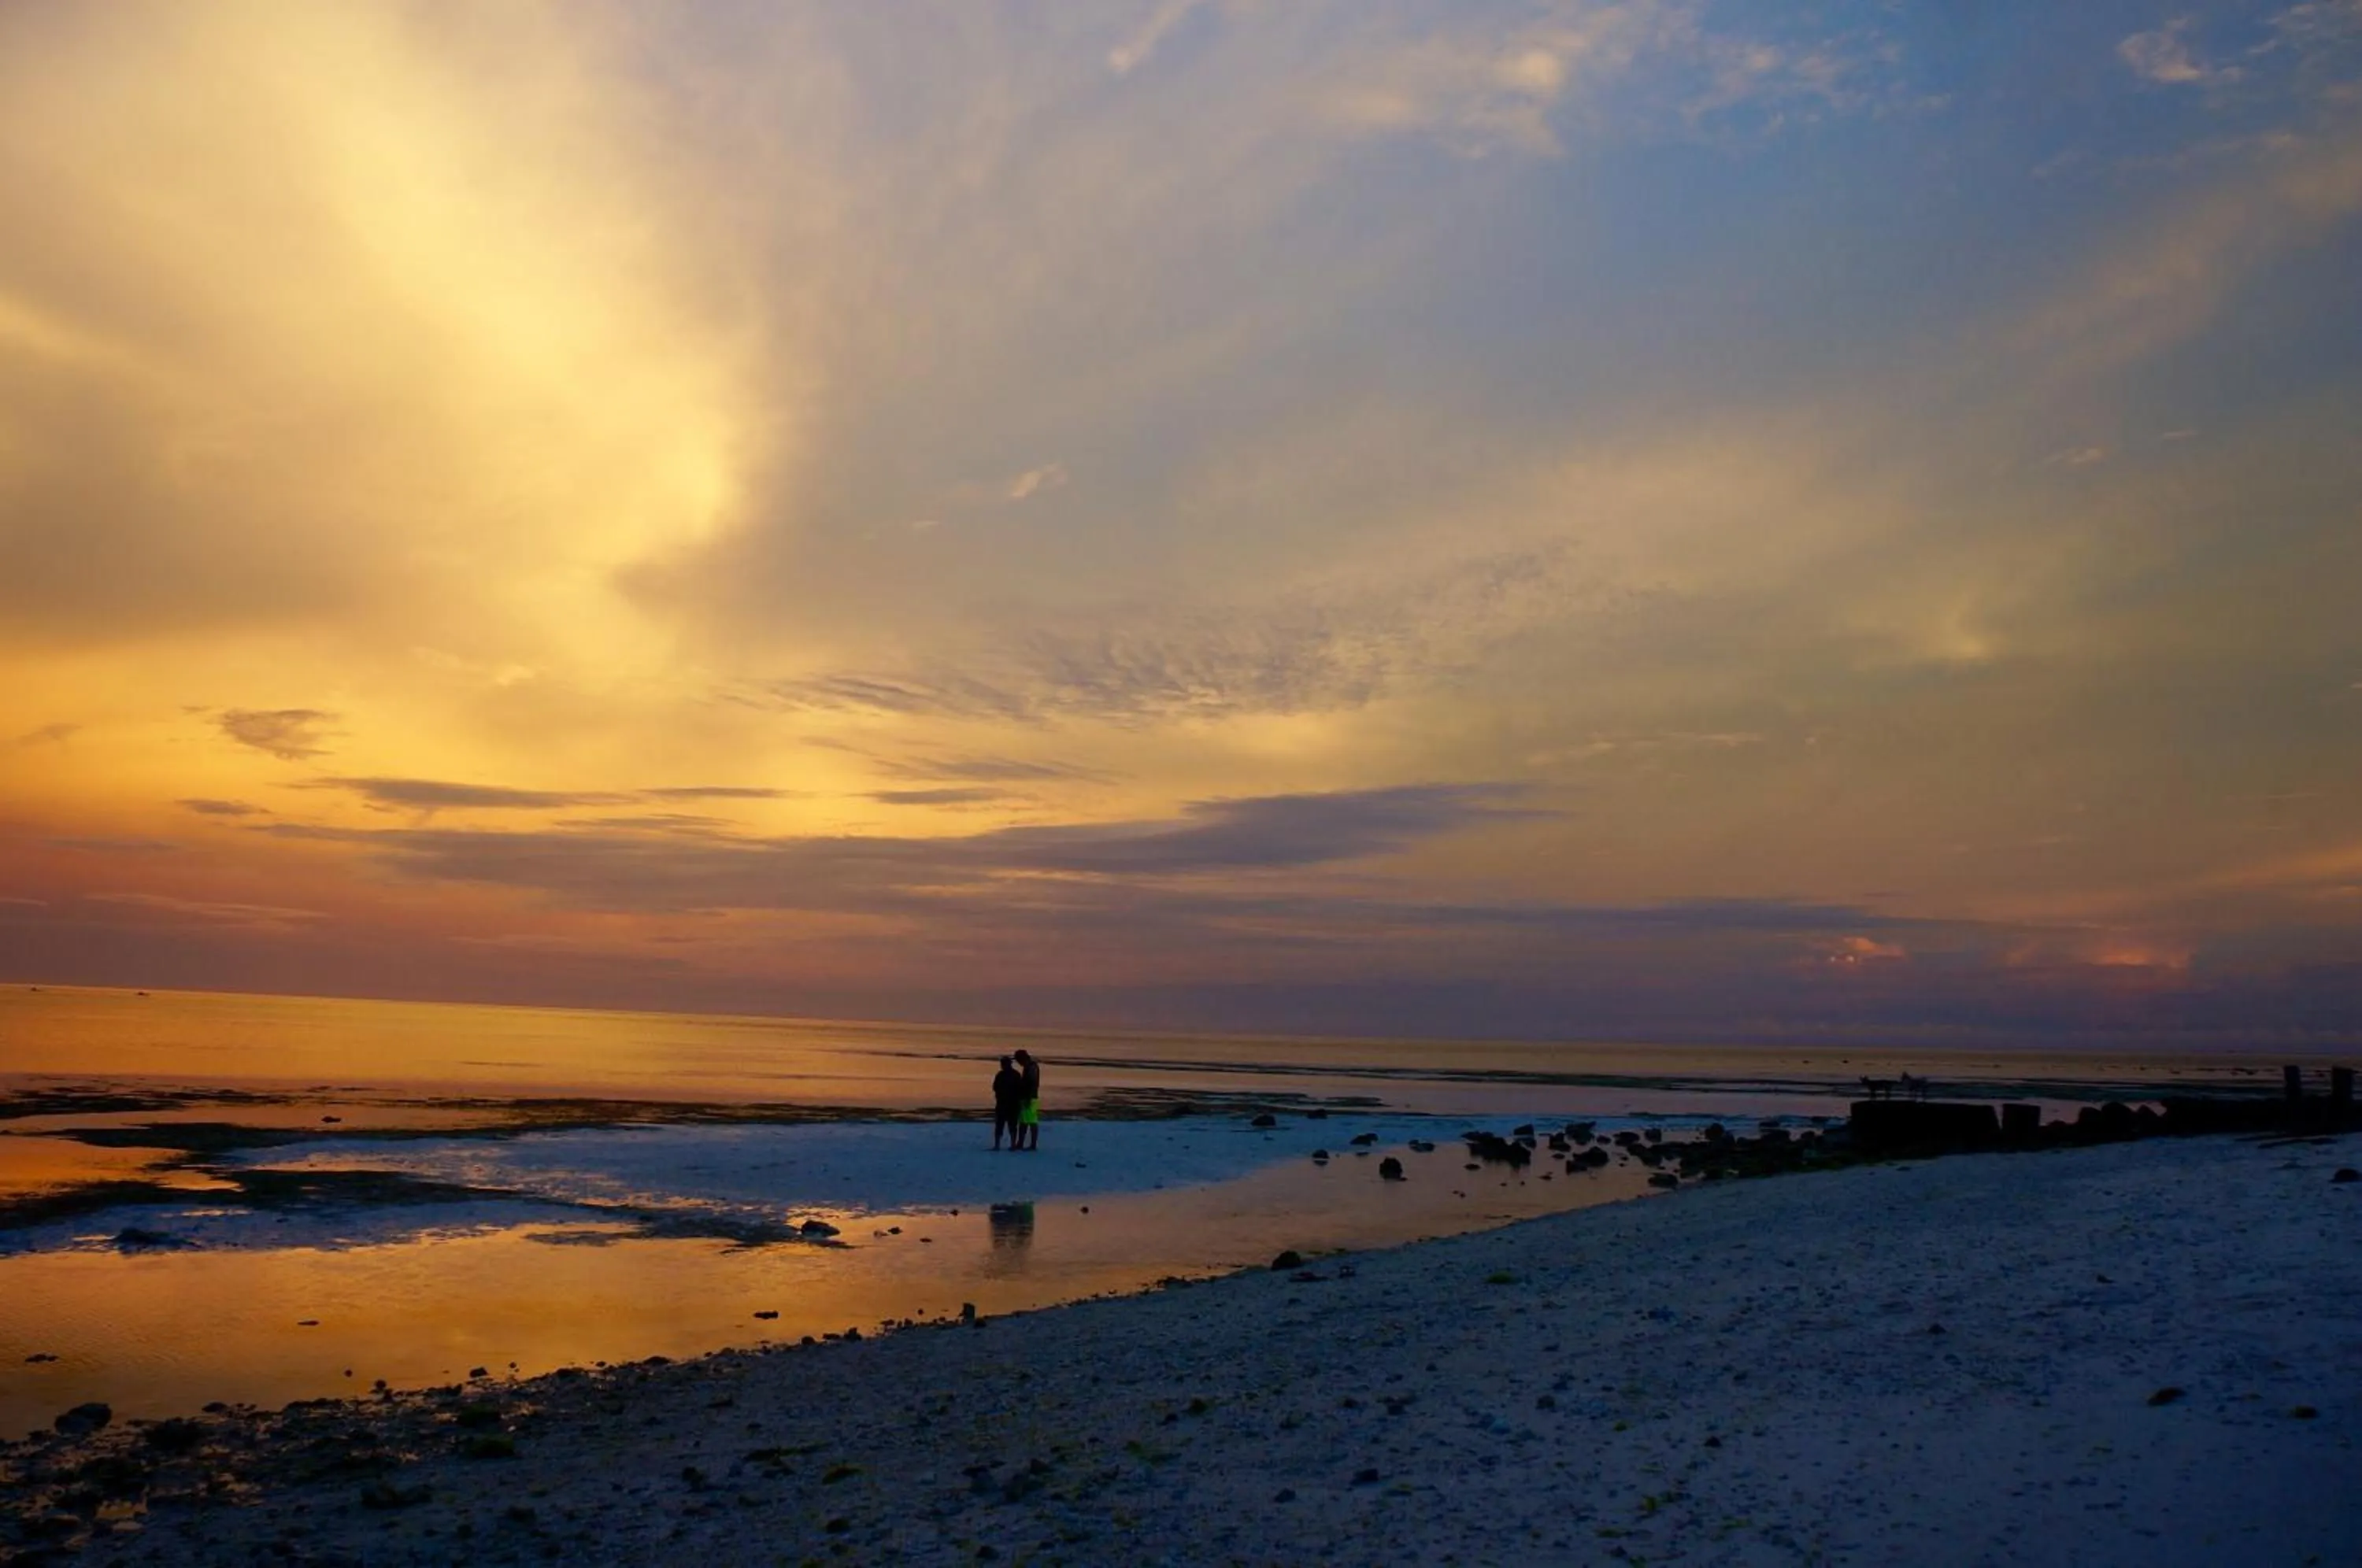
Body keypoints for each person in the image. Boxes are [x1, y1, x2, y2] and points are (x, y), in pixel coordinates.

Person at [990, 1055, 1024, 1150]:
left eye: (1002, 1064)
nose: (1002, 1066)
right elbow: (1020, 1089)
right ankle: (1010, 1144)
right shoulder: (1015, 1074)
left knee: (1002, 1125)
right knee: (1011, 1125)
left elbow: (995, 1088)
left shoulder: (1001, 1075)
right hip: (1010, 1103)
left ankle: (999, 1145)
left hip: (1006, 1103)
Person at [1013, 1048, 1042, 1151]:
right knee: (1024, 1121)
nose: (1018, 1063)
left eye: (1018, 1060)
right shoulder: (1029, 1067)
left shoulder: (1031, 1067)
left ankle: (1031, 1144)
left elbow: (1032, 1083)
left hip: (1030, 1097)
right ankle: (1021, 1143)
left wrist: (1028, 1098)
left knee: (1031, 1122)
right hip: (1027, 1097)